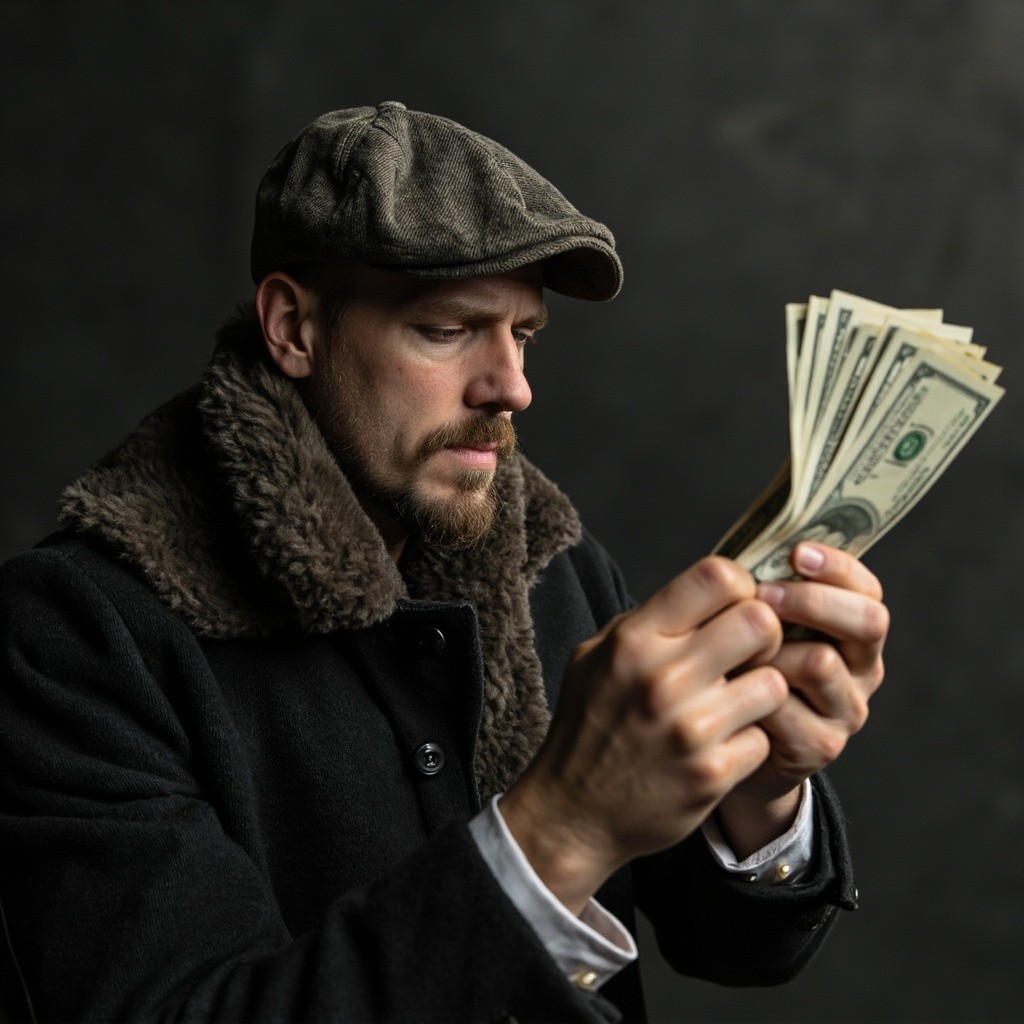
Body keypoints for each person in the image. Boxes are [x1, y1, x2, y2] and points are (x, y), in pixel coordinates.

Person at [0, 102, 888, 1023]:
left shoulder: (559, 566)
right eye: (448, 328)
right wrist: (562, 828)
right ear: (292, 328)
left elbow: (733, 949)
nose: (512, 387)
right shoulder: (70, 637)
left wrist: (763, 792)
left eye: (524, 334)